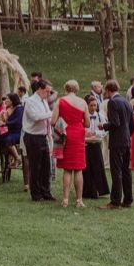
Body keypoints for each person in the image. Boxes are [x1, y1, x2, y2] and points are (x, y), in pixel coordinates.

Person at [99, 79, 134, 210]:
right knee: (126, 171)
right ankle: (128, 199)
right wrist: (127, 136)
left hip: (117, 142)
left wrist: (103, 125)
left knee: (116, 171)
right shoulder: (126, 101)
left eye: (105, 91)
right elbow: (132, 125)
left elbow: (115, 123)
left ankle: (115, 201)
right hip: (126, 141)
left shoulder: (112, 102)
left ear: (108, 90)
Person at [53, 80, 89, 208]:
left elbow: (53, 121)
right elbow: (88, 123)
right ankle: (79, 200)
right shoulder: (83, 102)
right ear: (77, 89)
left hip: (66, 135)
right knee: (78, 169)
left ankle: (66, 200)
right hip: (78, 135)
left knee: (67, 169)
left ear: (66, 89)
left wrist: (63, 122)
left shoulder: (60, 101)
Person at [22, 79, 55, 202]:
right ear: (40, 89)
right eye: (47, 91)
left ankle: (46, 192)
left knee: (46, 166)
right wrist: (52, 113)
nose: (48, 94)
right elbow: (36, 117)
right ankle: (35, 194)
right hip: (33, 136)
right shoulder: (30, 101)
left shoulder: (44, 101)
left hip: (43, 136)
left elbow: (46, 119)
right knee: (35, 166)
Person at [82, 95, 109, 199]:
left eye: (95, 105)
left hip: (96, 143)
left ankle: (100, 190)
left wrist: (97, 133)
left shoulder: (100, 116)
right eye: (91, 105)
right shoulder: (83, 116)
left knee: (98, 167)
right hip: (86, 144)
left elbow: (105, 130)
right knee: (87, 168)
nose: (93, 108)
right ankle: (88, 191)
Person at [0, 93, 23, 168]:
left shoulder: (19, 108)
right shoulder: (9, 109)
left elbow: (17, 122)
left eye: (7, 99)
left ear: (12, 100)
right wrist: (4, 116)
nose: (5, 100)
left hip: (18, 133)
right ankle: (10, 157)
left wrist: (5, 123)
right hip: (11, 132)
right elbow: (5, 120)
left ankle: (17, 158)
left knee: (8, 140)